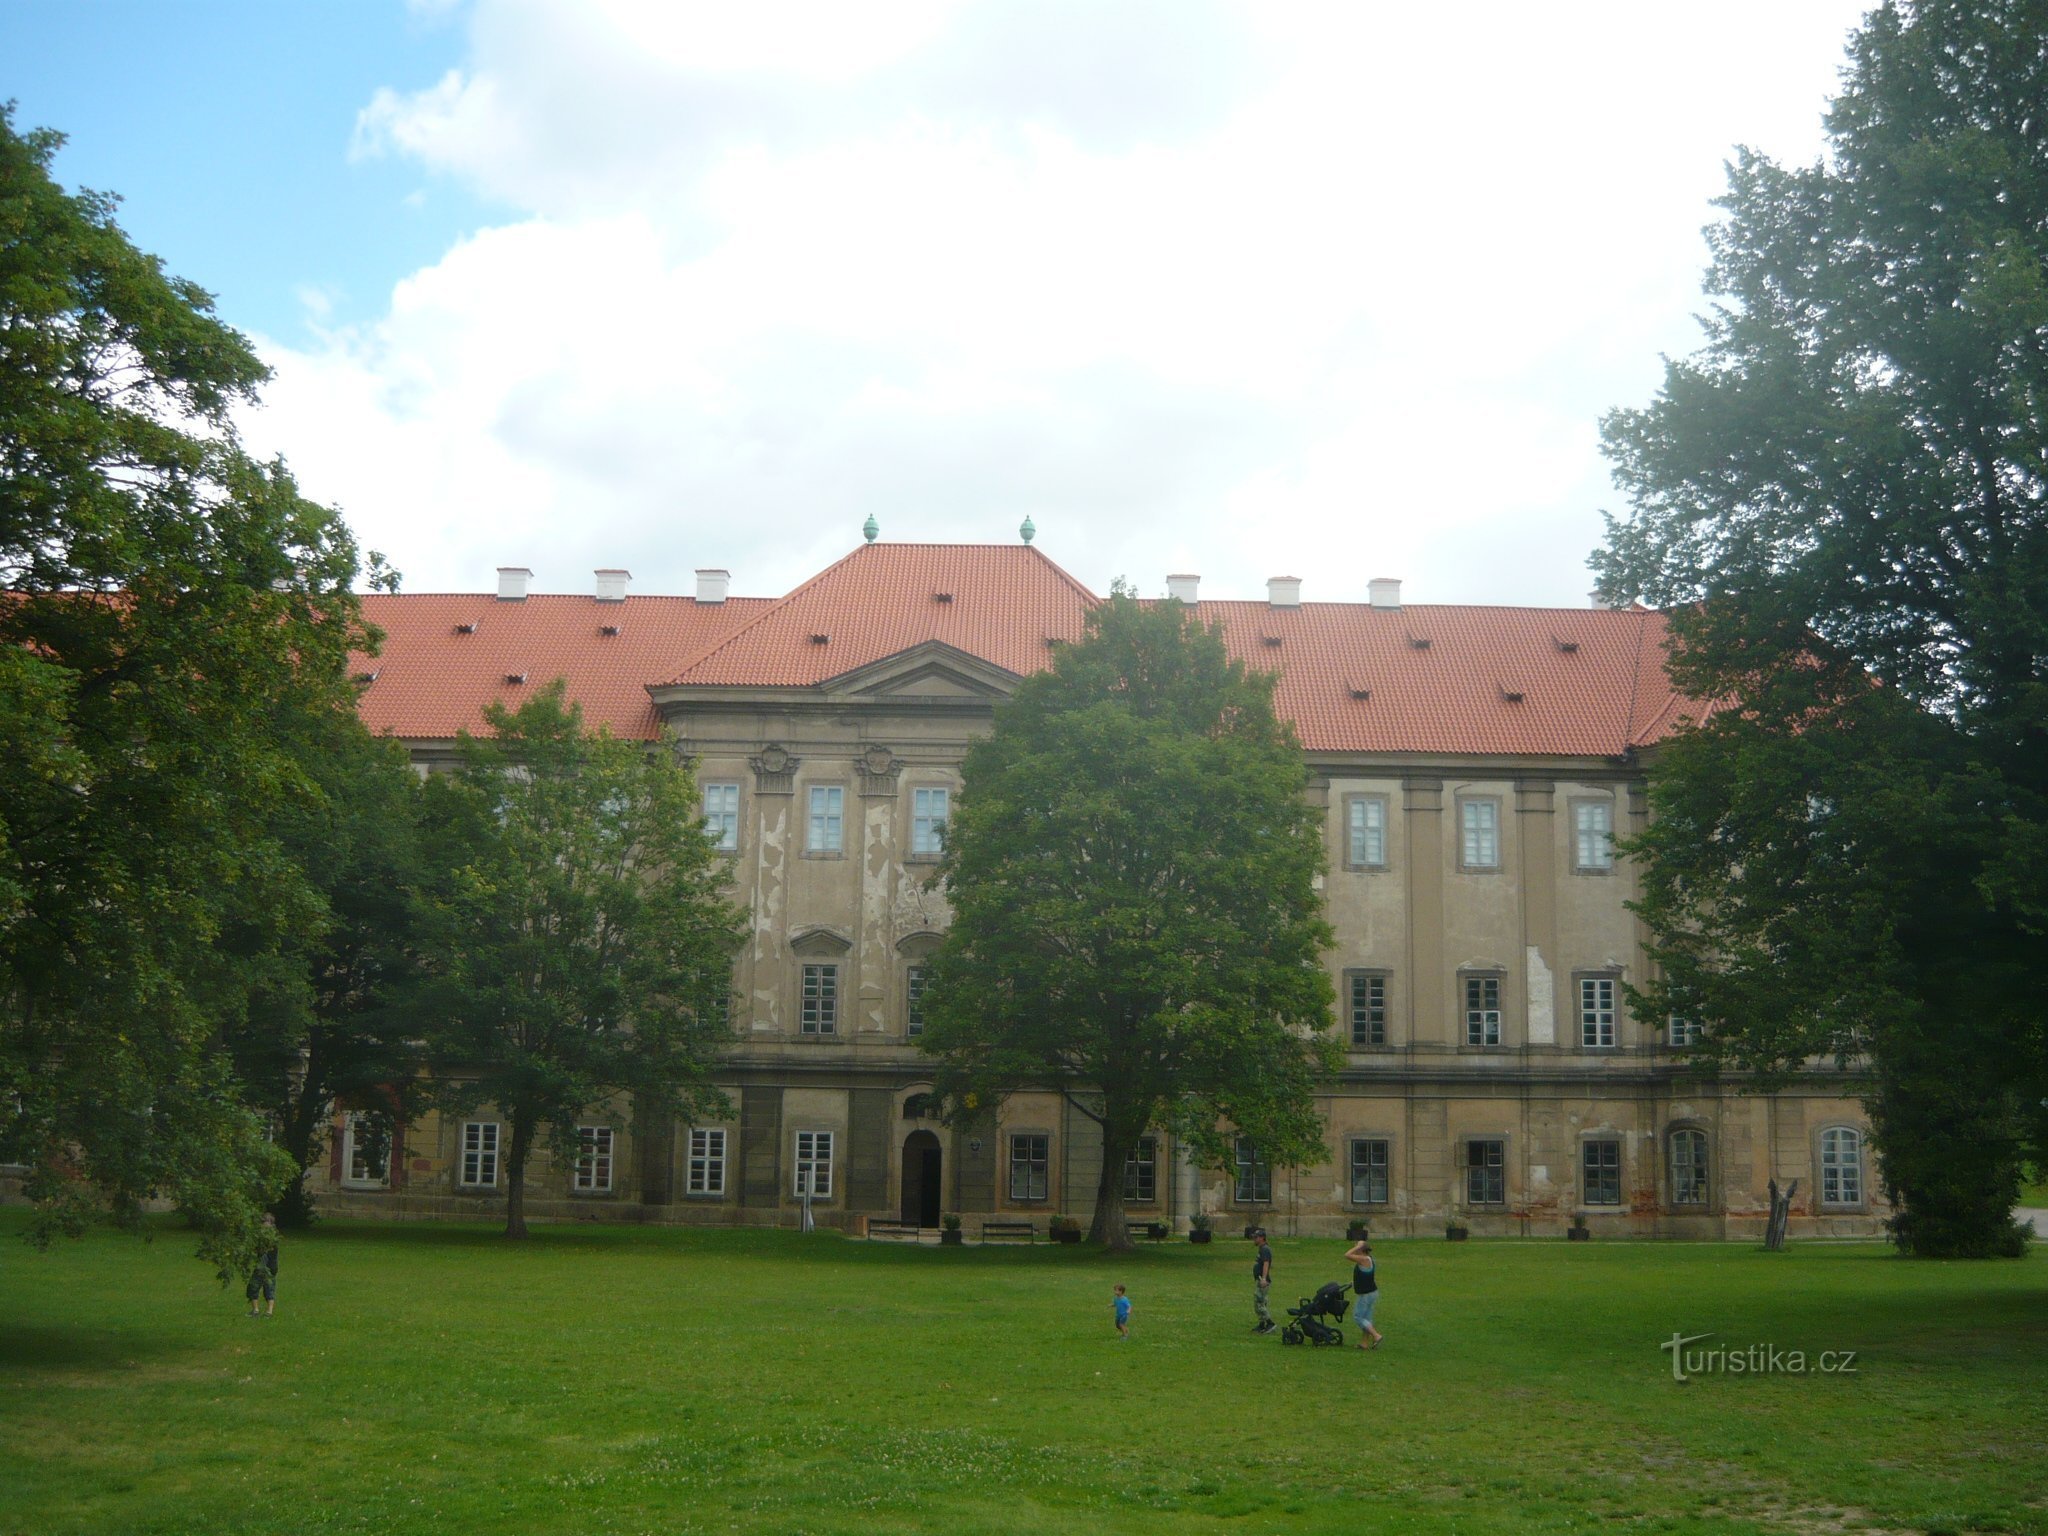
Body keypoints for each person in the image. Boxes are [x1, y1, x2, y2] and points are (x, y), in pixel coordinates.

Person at [1344, 1237, 1382, 1349]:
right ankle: (1364, 1343)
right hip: (1371, 1292)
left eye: (1357, 1247)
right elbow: (1365, 1276)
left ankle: (1376, 1335)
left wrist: (1359, 1245)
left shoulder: (1364, 1259)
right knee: (1367, 1318)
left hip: (1366, 1295)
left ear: (1361, 1249)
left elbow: (1346, 1255)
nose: (1355, 1249)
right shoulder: (1368, 1259)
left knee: (1358, 1317)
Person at [245, 1214, 279, 1318]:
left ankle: (269, 1311)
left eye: (266, 1222)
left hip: (269, 1267)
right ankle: (255, 1310)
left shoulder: (272, 1238)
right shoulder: (259, 1237)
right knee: (253, 1287)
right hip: (260, 1266)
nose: (263, 1225)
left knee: (269, 1288)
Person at [1250, 1227, 1275, 1334]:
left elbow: (1266, 1263)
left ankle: (1270, 1323)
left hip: (1263, 1280)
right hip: (1260, 1279)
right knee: (1261, 1302)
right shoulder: (1262, 1249)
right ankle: (1262, 1324)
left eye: (1256, 1237)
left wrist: (1264, 1278)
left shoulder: (1265, 1249)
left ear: (1262, 1238)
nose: (1254, 1240)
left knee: (1259, 1303)